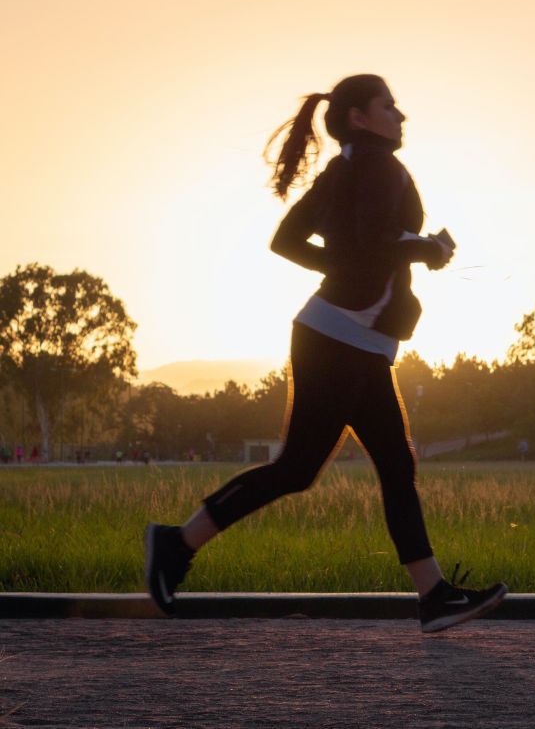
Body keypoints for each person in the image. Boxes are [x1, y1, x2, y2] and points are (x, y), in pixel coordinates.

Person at [144, 74, 507, 633]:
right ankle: (176, 543)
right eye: (389, 105)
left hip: (346, 336)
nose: (401, 115)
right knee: (301, 468)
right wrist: (430, 248)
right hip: (338, 338)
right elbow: (374, 241)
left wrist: (347, 269)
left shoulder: (344, 170)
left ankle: (433, 595)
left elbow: (288, 241)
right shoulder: (377, 169)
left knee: (392, 464)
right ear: (360, 117)